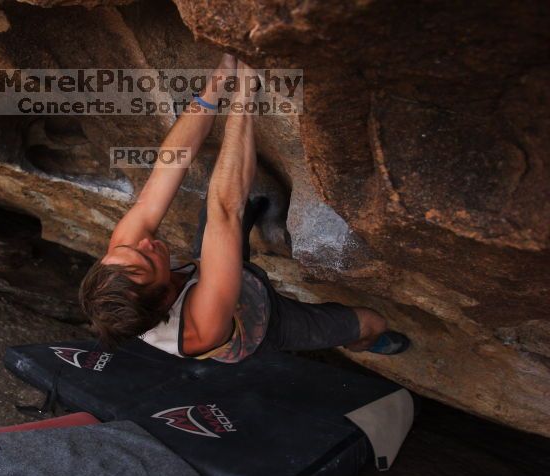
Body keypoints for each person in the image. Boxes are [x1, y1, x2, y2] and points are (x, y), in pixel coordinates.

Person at [79, 54, 410, 362]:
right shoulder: (201, 326)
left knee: (239, 186)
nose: (144, 243)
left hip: (209, 268)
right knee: (373, 322)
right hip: (262, 319)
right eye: (147, 258)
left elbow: (166, 171)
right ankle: (361, 345)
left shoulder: (124, 260)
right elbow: (225, 208)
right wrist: (246, 90)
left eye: (128, 249)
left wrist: (220, 80)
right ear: (166, 298)